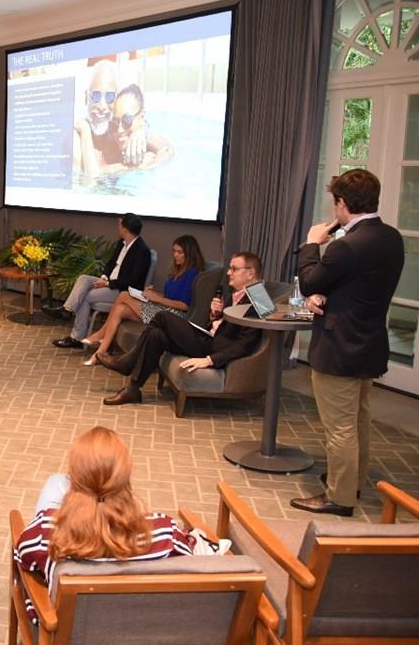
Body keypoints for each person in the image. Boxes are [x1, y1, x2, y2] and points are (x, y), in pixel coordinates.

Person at [292, 169, 405, 516]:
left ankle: (339, 498)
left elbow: (309, 281)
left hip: (339, 347)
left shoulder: (346, 246)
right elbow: (358, 286)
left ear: (341, 204)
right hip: (369, 343)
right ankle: (351, 481)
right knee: (358, 419)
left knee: (339, 427)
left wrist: (312, 243)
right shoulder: (391, 237)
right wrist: (326, 297)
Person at [14, 427, 201, 624]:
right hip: (145, 629)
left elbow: (23, 559)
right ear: (125, 477)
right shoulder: (166, 534)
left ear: (74, 478)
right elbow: (188, 565)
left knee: (54, 482)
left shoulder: (47, 532)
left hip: (69, 632)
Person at [95, 252, 265, 406]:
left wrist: (209, 360)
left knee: (162, 317)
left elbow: (245, 345)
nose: (228, 273)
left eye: (234, 269)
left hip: (214, 348)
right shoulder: (240, 293)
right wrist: (216, 316)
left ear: (250, 273)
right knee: (156, 335)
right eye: (229, 268)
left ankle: (127, 362)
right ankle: (133, 389)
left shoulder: (259, 298)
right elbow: (229, 327)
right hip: (210, 338)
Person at [82, 235, 206, 366]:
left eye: (180, 252)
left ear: (189, 253)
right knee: (120, 309)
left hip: (172, 317)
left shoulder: (192, 273)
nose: (175, 255)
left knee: (124, 295)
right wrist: (153, 294)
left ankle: (101, 333)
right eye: (174, 251)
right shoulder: (177, 271)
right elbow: (169, 297)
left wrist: (156, 298)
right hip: (163, 309)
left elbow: (184, 305)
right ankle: (100, 353)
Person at [50, 212, 151, 349]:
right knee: (84, 279)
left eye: (120, 225)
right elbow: (110, 264)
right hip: (110, 283)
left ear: (125, 229)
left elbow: (132, 281)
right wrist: (104, 278)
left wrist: (108, 284)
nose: (118, 227)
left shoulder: (142, 251)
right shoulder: (121, 243)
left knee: (86, 296)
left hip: (123, 291)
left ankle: (76, 338)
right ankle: (67, 309)